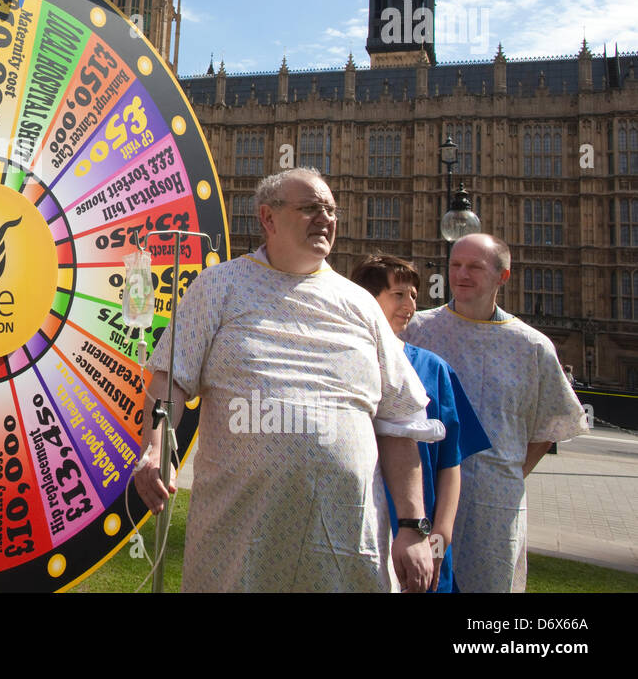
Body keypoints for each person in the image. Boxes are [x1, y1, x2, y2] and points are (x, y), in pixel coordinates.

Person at [133, 168, 435, 592]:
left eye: (330, 209)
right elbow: (170, 380)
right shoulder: (218, 286)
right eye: (310, 208)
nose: (325, 218)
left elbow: (400, 420)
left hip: (346, 543)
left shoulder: (360, 304)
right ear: (268, 218)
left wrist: (413, 526)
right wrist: (156, 446)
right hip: (239, 540)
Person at [403, 233, 588, 593]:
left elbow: (552, 422)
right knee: (421, 583)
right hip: (424, 498)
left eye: (475, 266)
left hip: (495, 507)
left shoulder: (531, 346)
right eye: (456, 265)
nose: (462, 274)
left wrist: (510, 473)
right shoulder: (417, 330)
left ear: (503, 275)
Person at [350, 254, 491, 592]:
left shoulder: (434, 369)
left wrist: (441, 535)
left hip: (418, 531)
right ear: (366, 300)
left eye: (414, 295)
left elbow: (450, 462)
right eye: (399, 294)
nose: (410, 303)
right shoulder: (343, 362)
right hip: (355, 524)